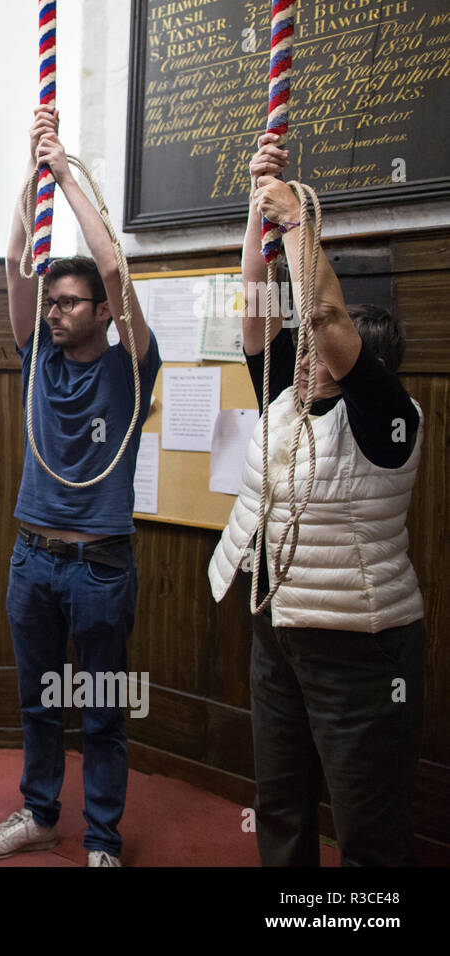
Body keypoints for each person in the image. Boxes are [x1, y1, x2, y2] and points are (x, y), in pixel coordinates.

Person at [208, 134, 425, 866]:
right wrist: (257, 209)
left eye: (318, 357)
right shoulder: (286, 403)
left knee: (366, 823)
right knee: (281, 803)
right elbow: (258, 312)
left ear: (363, 371)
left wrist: (298, 220)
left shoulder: (385, 416)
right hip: (279, 629)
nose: (301, 357)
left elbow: (327, 322)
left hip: (359, 645)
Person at [0, 106, 161, 867]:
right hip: (33, 560)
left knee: (104, 712)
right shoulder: (36, 364)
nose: (53, 313)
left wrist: (67, 177)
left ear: (103, 314)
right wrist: (31, 170)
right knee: (39, 703)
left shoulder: (131, 368)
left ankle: (105, 841)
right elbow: (17, 262)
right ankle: (40, 812)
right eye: (51, 304)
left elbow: (113, 264)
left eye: (68, 304)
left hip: (100, 566)